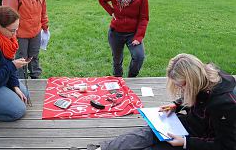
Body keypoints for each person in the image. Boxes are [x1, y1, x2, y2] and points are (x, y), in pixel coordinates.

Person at [71, 53, 236, 150]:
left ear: (193, 80)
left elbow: (226, 145)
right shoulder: (205, 76)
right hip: (190, 124)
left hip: (201, 139)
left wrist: (185, 142)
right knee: (147, 132)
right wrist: (177, 104)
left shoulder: (225, 105)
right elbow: (197, 95)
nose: (181, 90)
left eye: (182, 86)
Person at [2, 0, 49, 79]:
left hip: (36, 32)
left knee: (34, 58)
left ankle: (36, 81)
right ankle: (20, 84)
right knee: (20, 62)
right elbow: (7, 19)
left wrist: (44, 25)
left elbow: (43, 8)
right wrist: (12, 37)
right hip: (20, 35)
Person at [98, 0, 149, 78]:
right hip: (115, 32)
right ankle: (118, 78)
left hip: (133, 34)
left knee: (139, 56)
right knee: (117, 59)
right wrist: (111, 11)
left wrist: (138, 37)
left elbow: (144, 18)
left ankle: (131, 78)